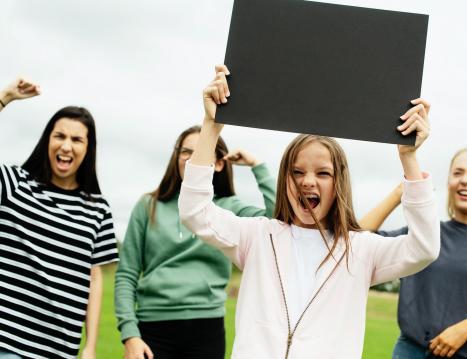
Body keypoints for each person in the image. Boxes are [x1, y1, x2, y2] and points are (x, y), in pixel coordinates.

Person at [177, 65, 440, 358]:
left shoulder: (361, 250)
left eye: (323, 173)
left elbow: (424, 248)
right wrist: (211, 126)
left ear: (339, 183)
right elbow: (194, 211)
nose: (308, 181)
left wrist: (409, 158)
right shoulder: (258, 236)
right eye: (297, 171)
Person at [114, 124, 276, 359]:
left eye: (201, 150)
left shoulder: (229, 208)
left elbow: (274, 221)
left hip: (207, 330)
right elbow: (126, 274)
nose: (191, 159)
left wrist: (258, 167)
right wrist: (130, 335)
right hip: (152, 328)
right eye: (185, 151)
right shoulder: (147, 206)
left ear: (219, 164)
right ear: (176, 157)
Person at [0, 78, 119, 359]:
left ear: (88, 149)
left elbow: (94, 278)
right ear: (47, 140)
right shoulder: (14, 183)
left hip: (58, 350)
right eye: (59, 136)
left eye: (77, 139)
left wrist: (90, 346)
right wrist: (5, 97)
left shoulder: (98, 209)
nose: (66, 146)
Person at [360, 147, 467, 358]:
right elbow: (359, 239)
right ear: (448, 182)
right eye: (458, 173)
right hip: (409, 351)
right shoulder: (426, 235)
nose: (464, 179)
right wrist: (404, 190)